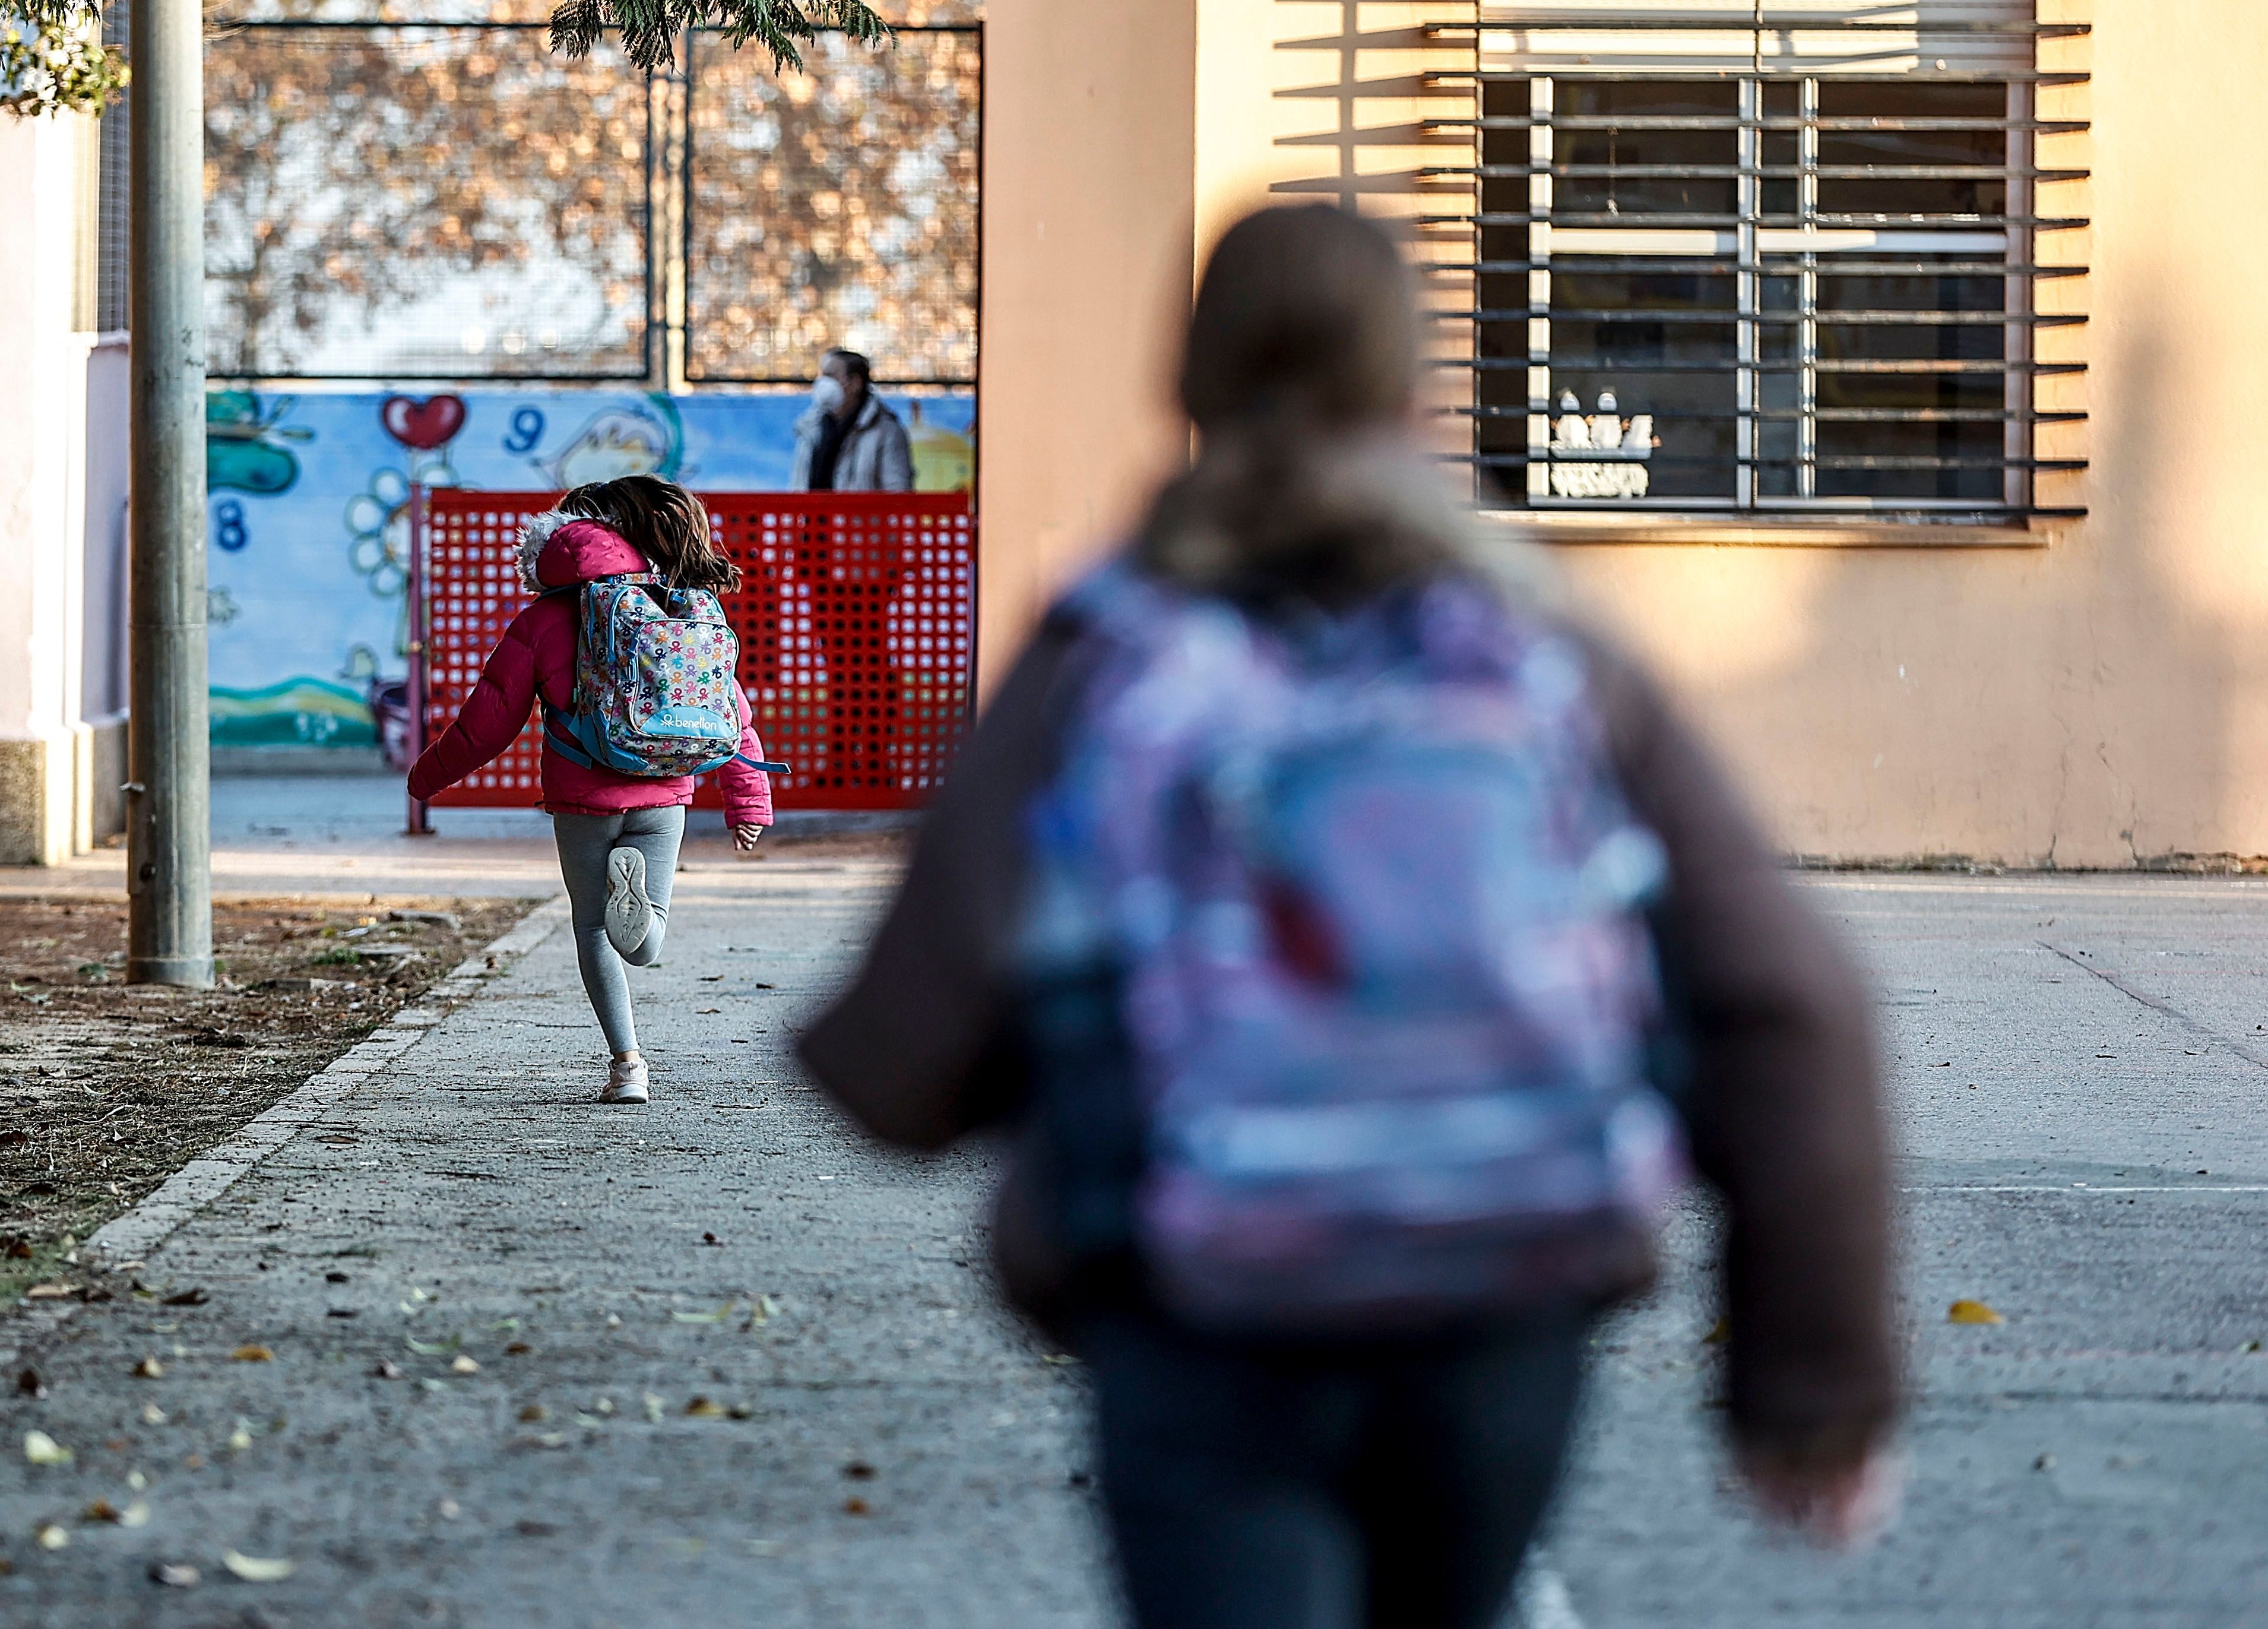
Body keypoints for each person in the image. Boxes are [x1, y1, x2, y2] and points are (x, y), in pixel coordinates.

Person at [797, 204, 1898, 1629]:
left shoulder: (1108, 647)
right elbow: (1787, 1000)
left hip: (1198, 1309)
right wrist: (1811, 1390)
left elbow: (898, 1065)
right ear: (1413, 383)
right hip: (1500, 1302)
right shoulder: (1536, 643)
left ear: (1187, 380)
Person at [409, 476, 775, 1104]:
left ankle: (627, 1066)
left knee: (590, 929)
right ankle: (644, 917)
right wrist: (749, 801)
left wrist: (427, 778)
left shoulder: (544, 618)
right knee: (645, 937)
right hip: (664, 789)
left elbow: (488, 719)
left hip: (583, 795)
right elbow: (729, 712)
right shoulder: (681, 606)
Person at [792, 347, 916, 492]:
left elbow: (898, 491)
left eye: (830, 376)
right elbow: (799, 484)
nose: (822, 383)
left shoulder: (886, 432)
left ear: (855, 383)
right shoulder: (811, 426)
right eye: (821, 375)